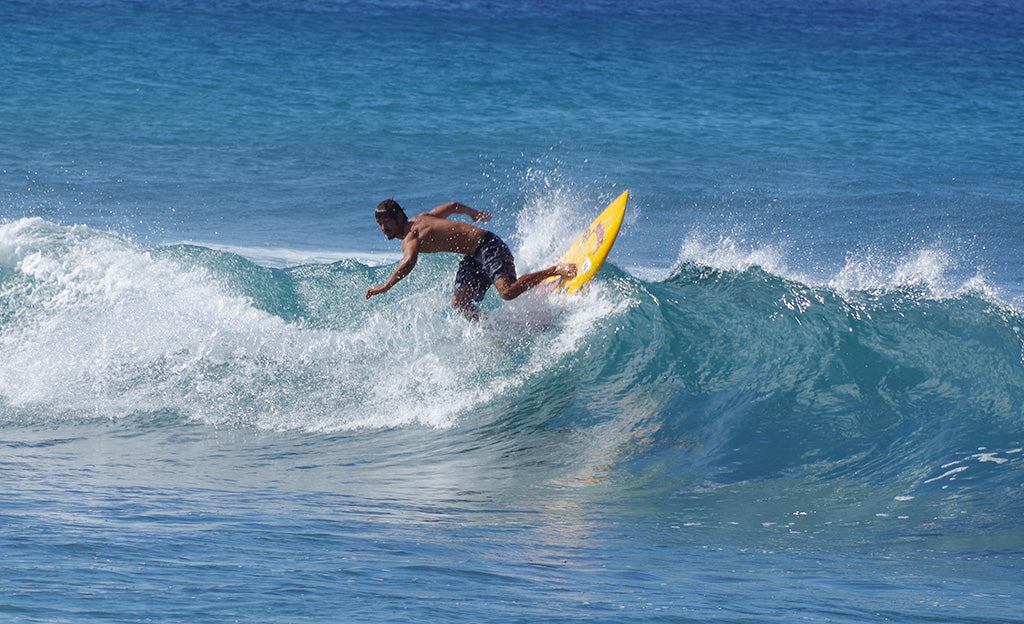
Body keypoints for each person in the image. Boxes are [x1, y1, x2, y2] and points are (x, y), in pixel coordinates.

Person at [366, 198, 577, 320]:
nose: (384, 228)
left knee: (508, 292)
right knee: (460, 304)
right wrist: (472, 213)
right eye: (380, 224)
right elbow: (453, 206)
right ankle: (495, 330)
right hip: (473, 257)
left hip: (488, 246)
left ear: (400, 217)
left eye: (387, 222)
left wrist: (386, 286)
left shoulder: (411, 236)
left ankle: (555, 269)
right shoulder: (421, 218)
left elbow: (408, 261)